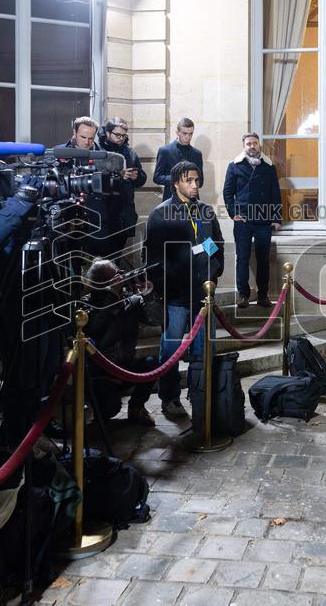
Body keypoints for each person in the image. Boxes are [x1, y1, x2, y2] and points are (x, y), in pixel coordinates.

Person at [143, 161, 224, 418]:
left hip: (203, 296)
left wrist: (213, 270)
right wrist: (167, 284)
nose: (194, 185)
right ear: (176, 182)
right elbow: (153, 259)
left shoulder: (206, 211)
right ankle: (169, 399)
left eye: (197, 180)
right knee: (170, 351)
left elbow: (216, 243)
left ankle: (200, 397)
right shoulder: (161, 214)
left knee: (203, 350)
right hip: (176, 297)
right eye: (189, 180)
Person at [82, 259, 155, 426]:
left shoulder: (131, 301)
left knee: (151, 364)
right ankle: (98, 407)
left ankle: (136, 407)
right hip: (102, 372)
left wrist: (148, 296)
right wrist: (111, 297)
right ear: (101, 283)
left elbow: (156, 320)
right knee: (109, 411)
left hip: (126, 366)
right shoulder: (87, 303)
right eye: (115, 276)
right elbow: (93, 329)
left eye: (120, 274)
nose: (121, 278)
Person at [222, 132, 282, 308]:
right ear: (244, 146)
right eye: (248, 144)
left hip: (263, 220)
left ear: (259, 145)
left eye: (255, 143)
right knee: (242, 258)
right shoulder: (234, 166)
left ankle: (263, 295)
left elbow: (275, 194)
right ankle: (243, 295)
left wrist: (276, 218)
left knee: (263, 259)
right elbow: (227, 193)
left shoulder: (269, 167)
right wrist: (234, 214)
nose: (252, 146)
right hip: (243, 220)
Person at [55, 116, 111, 259]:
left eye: (91, 138)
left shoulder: (104, 155)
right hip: (66, 214)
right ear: (74, 132)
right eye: (83, 137)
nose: (87, 142)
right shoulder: (59, 152)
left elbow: (112, 186)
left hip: (96, 214)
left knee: (99, 256)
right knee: (67, 256)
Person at [98, 117, 147, 258]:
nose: (120, 138)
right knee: (102, 256)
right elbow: (97, 177)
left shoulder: (130, 152)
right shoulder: (98, 151)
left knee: (117, 255)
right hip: (105, 210)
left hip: (125, 211)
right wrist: (118, 175)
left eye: (123, 135)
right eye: (117, 134)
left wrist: (136, 176)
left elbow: (142, 179)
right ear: (107, 133)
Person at [153, 118, 203, 201]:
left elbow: (200, 182)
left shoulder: (197, 154)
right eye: (185, 134)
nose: (188, 137)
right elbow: (157, 177)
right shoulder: (165, 151)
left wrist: (190, 180)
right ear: (177, 133)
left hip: (192, 201)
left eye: (191, 134)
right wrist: (177, 179)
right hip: (171, 200)